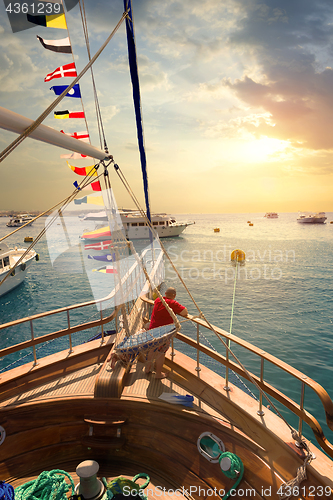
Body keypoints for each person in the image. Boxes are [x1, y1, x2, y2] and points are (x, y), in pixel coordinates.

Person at [145, 287, 188, 379]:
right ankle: (158, 374)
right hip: (163, 334)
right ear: (174, 296)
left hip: (152, 331)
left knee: (151, 349)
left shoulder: (158, 300)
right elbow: (185, 312)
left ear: (165, 293)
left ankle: (147, 369)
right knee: (161, 353)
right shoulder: (172, 303)